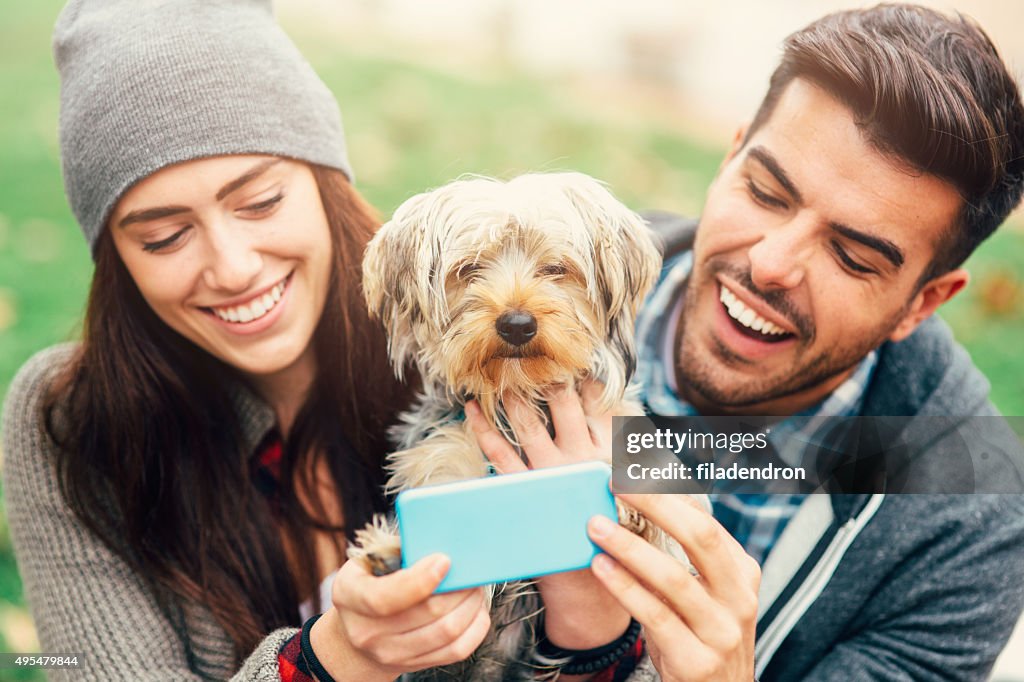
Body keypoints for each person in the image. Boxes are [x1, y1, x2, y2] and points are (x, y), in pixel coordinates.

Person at [1, 1, 640, 681]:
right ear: (115, 259)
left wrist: (594, 627)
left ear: (325, 182)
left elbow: (747, 452)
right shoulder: (68, 422)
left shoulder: (478, 342)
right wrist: (329, 659)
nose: (233, 266)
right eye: (164, 236)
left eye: (260, 202)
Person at [467, 4, 1024, 681]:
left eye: (851, 257)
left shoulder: (970, 529)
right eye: (765, 192)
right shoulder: (494, 303)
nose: (771, 264)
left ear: (923, 303)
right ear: (731, 155)